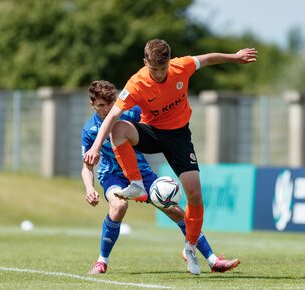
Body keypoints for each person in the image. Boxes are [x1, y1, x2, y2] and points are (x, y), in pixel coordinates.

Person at [83, 41, 258, 275]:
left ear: (169, 61)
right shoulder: (136, 84)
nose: (159, 73)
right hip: (148, 138)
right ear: (145, 63)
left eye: (162, 68)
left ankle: (194, 250)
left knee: (194, 196)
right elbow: (114, 116)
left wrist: (234, 57)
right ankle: (104, 254)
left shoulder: (181, 66)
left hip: (178, 137)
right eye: (153, 69)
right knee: (118, 130)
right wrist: (95, 147)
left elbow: (206, 59)